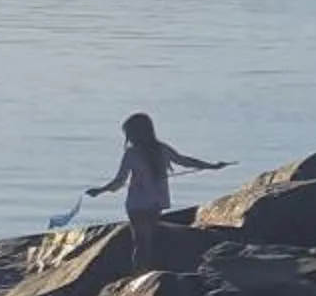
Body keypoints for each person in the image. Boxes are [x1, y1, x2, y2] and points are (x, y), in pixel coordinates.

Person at [87, 112, 230, 272]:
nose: (128, 138)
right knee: (145, 241)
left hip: (137, 204)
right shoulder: (161, 149)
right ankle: (145, 271)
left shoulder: (132, 153)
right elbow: (186, 161)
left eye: (128, 134)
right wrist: (212, 166)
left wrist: (100, 191)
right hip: (155, 203)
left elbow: (118, 182)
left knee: (141, 241)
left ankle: (140, 273)